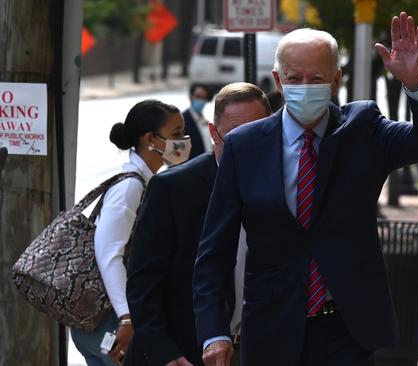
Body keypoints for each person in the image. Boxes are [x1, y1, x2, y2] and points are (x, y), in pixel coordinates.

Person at [193, 12, 418, 366]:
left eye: (316, 78)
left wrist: (415, 83)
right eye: (294, 78)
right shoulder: (244, 145)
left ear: (335, 81)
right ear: (278, 81)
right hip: (272, 328)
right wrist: (214, 331)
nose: (304, 85)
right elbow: (215, 251)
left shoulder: (364, 130)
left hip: (347, 329)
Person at [123, 83, 271, 366]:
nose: (249, 147)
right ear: (214, 134)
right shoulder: (174, 188)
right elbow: (143, 281)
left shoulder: (284, 184)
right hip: (183, 352)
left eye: (258, 135)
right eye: (237, 137)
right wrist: (163, 352)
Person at [70, 99, 190, 366]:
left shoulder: (148, 182)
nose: (184, 141)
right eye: (176, 134)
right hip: (113, 320)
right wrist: (127, 317)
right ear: (150, 139)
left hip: (111, 319)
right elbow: (109, 254)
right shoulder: (131, 187)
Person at [184, 84, 213, 160]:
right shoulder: (183, 120)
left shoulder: (204, 121)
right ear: (191, 97)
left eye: (204, 98)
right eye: (198, 97)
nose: (201, 101)